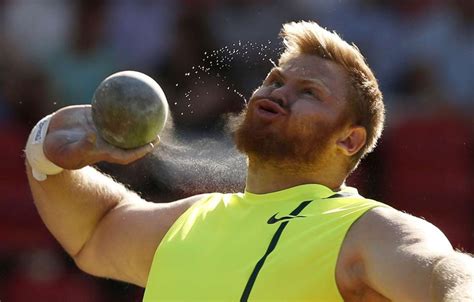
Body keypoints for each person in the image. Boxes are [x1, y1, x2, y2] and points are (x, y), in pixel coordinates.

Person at [25, 21, 473, 301]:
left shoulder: (362, 228)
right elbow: (96, 231)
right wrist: (46, 152)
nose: (278, 91)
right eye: (275, 80)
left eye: (309, 92)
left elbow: (444, 274)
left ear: (350, 139)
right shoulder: (195, 217)